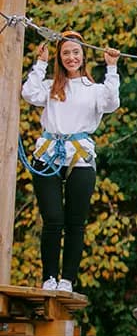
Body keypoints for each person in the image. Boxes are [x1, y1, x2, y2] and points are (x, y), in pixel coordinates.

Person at [21, 31, 121, 293]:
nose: (71, 57)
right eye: (65, 53)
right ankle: (49, 277)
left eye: (76, 52)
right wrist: (40, 63)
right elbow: (29, 93)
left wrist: (111, 68)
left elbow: (112, 103)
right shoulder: (51, 87)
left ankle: (67, 280)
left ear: (83, 55)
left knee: (75, 222)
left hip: (80, 157)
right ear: (59, 58)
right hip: (48, 155)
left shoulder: (94, 90)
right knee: (53, 219)